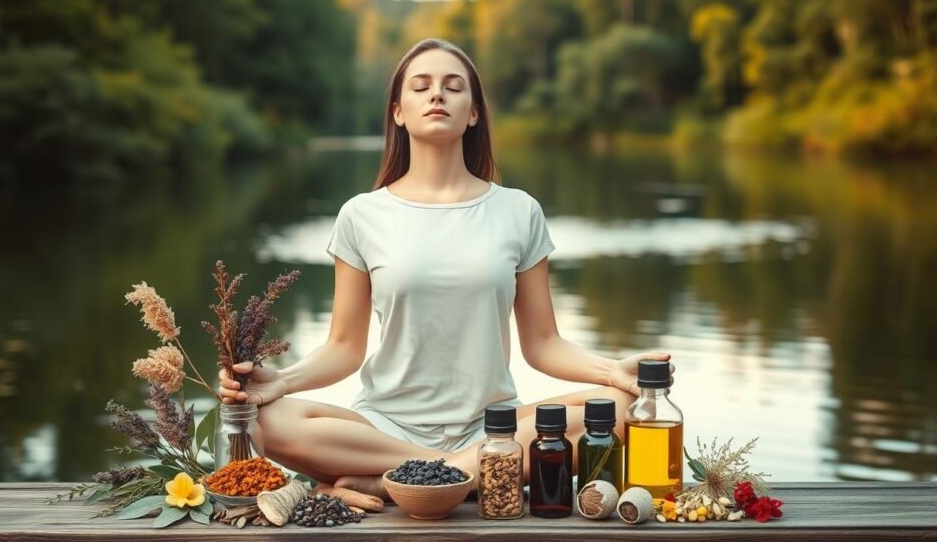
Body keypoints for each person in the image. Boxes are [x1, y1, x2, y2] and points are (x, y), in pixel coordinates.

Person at [218, 38, 673, 498]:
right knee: (268, 420)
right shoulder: (361, 214)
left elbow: (543, 343)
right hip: (382, 428)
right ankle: (462, 475)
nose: (437, 95)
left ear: (473, 112)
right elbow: (343, 346)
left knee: (625, 408)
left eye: (453, 87)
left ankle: (396, 482)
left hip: (494, 426)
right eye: (422, 86)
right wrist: (280, 381)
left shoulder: (518, 210)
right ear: (398, 111)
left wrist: (611, 370)